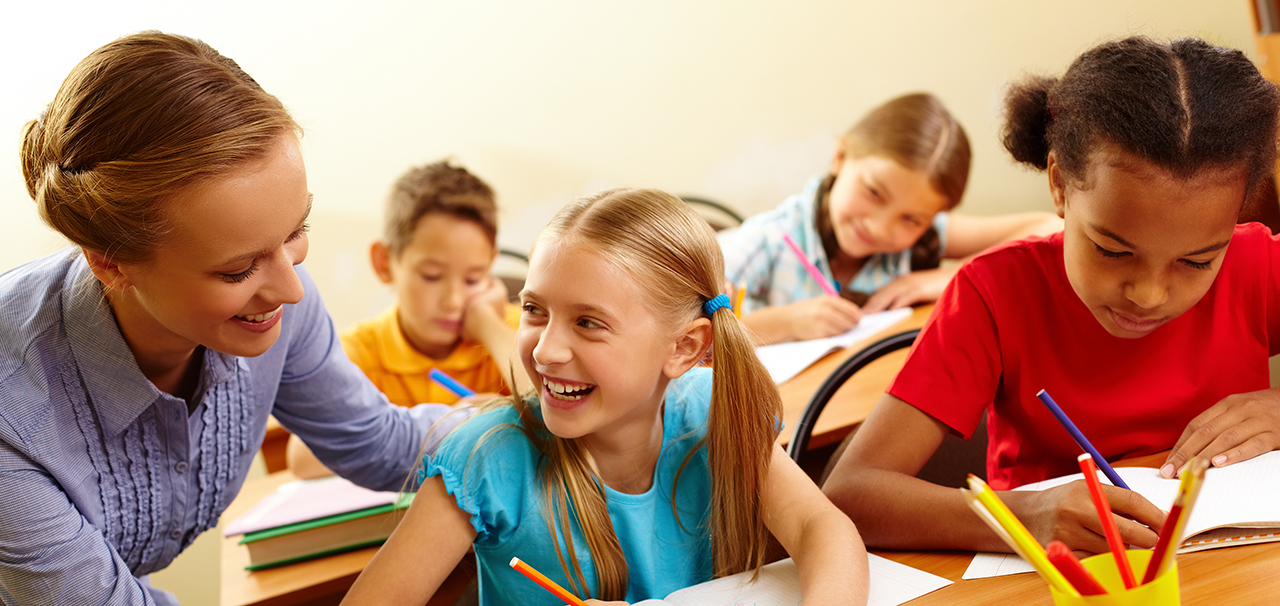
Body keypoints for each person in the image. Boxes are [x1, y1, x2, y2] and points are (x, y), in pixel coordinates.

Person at [0, 32, 460, 605]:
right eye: (238, 269)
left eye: (297, 232)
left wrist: (527, 422)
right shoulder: (12, 419)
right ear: (111, 263)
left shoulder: (275, 300)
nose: (291, 291)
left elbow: (377, 441)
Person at [822, 36, 1280, 555]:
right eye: (1113, 250)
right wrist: (1024, 517)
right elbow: (850, 494)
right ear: (1060, 185)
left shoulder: (1257, 264)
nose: (1149, 294)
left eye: (1198, 261)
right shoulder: (993, 294)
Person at [340, 189, 869, 605]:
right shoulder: (487, 457)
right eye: (533, 310)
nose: (545, 351)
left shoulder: (714, 411)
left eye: (588, 323)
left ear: (685, 348)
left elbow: (822, 528)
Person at [718, 93, 1062, 345]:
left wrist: (939, 279)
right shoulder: (771, 238)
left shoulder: (926, 235)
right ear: (840, 157)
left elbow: (1051, 229)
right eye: (874, 193)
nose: (881, 228)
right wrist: (786, 323)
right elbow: (687, 327)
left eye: (911, 219)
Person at [287, 160, 526, 478]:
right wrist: (450, 424)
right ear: (385, 263)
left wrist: (488, 325)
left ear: (491, 264)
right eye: (431, 276)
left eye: (473, 278)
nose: (453, 301)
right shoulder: (361, 349)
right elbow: (301, 458)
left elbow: (555, 411)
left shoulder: (512, 334)